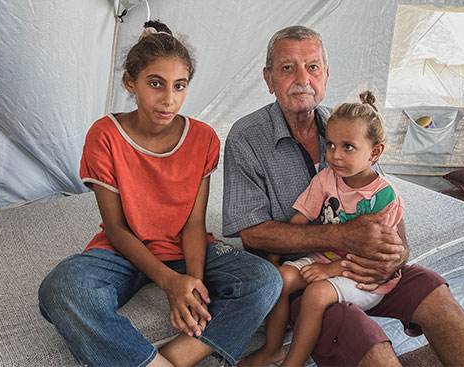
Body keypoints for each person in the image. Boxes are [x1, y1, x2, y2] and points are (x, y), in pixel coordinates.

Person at [223, 25, 464, 366]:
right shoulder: (246, 137)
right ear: (269, 79)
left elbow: (384, 200)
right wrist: (342, 236)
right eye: (287, 67)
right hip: (307, 276)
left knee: (432, 290)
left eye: (312, 67)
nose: (302, 78)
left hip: (362, 269)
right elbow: (252, 233)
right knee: (357, 330)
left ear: (325, 74)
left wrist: (397, 253)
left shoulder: (345, 125)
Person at [38, 20, 282, 367]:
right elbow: (118, 229)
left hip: (186, 248)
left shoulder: (203, 139)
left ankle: (176, 358)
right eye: (156, 84)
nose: (169, 99)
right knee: (61, 290)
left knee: (264, 280)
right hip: (123, 250)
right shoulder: (105, 136)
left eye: (179, 86)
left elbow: (194, 222)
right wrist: (169, 283)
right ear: (130, 83)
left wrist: (191, 283)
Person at [241, 91, 405, 367]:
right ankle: (273, 348)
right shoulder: (326, 178)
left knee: (317, 294)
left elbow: (379, 255)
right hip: (326, 257)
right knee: (281, 279)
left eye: (348, 147)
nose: (335, 156)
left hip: (364, 274)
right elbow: (300, 219)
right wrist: (275, 254)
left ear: (374, 152)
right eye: (330, 145)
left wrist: (333, 270)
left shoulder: (384, 198)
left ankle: (292, 363)